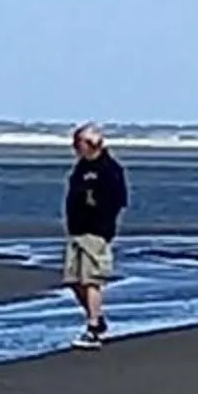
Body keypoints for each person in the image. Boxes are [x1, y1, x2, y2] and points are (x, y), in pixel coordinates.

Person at [63, 126, 128, 345]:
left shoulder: (109, 169)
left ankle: (93, 328)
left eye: (78, 143)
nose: (75, 148)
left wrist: (100, 217)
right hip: (77, 230)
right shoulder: (81, 167)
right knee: (74, 280)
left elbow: (118, 200)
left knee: (91, 280)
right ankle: (97, 317)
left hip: (96, 231)